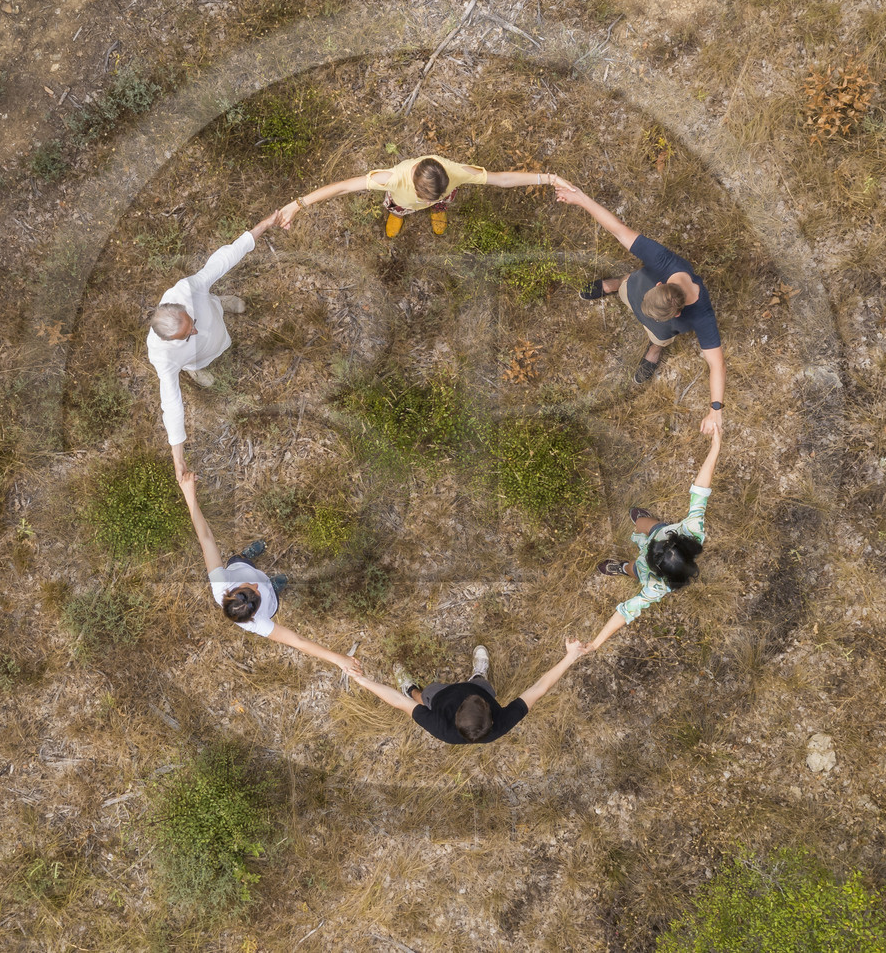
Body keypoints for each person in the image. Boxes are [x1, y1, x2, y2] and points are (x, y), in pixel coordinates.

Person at [552, 179, 727, 400]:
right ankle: (614, 285)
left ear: (677, 314)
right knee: (628, 282)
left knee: (659, 338)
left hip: (660, 331)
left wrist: (716, 409)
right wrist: (581, 199)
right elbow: (618, 229)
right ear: (659, 285)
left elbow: (717, 365)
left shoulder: (703, 316)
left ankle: (654, 350)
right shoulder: (664, 261)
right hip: (633, 288)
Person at [177, 470, 362, 674]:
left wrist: (189, 493)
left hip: (241, 566)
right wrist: (338, 659)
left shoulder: (220, 583)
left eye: (249, 588)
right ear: (255, 613)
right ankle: (274, 587)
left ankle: (248, 556)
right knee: (271, 588)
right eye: (257, 595)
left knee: (240, 560)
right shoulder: (259, 623)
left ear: (230, 592)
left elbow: (206, 539)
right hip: (272, 598)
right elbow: (298, 642)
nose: (257, 586)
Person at [148, 210, 279, 478]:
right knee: (198, 359)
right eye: (187, 334)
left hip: (214, 315)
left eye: (191, 321)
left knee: (213, 308)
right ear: (169, 340)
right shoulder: (162, 358)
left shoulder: (186, 291)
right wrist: (178, 459)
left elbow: (223, 259)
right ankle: (194, 370)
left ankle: (221, 301)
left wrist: (262, 226)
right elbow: (171, 405)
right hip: (199, 357)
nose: (194, 330)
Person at [585, 427, 722, 654]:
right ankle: (644, 523)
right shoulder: (693, 530)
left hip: (642, 567)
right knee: (648, 524)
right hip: (660, 529)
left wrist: (595, 644)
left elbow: (625, 612)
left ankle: (621, 567)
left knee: (633, 569)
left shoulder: (655, 586)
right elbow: (700, 489)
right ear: (682, 544)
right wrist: (715, 447)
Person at [345, 639, 587, 744]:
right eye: (481, 702)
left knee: (420, 698)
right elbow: (539, 688)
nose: (465, 695)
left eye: (470, 702)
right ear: (491, 716)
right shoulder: (501, 723)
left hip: (439, 697)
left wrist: (363, 681)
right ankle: (478, 677)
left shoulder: (440, 726)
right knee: (481, 686)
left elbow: (398, 702)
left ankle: (411, 689)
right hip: (479, 688)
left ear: (456, 715)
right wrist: (570, 656)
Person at [275, 156, 571, 239]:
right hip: (400, 200)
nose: (424, 198)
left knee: (442, 202)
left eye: (430, 197)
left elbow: (501, 179)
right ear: (414, 174)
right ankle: (397, 214)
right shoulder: (391, 179)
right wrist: (297, 204)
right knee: (399, 208)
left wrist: (549, 179)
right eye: (423, 195)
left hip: (442, 195)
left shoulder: (455, 172)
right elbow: (342, 187)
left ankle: (438, 209)